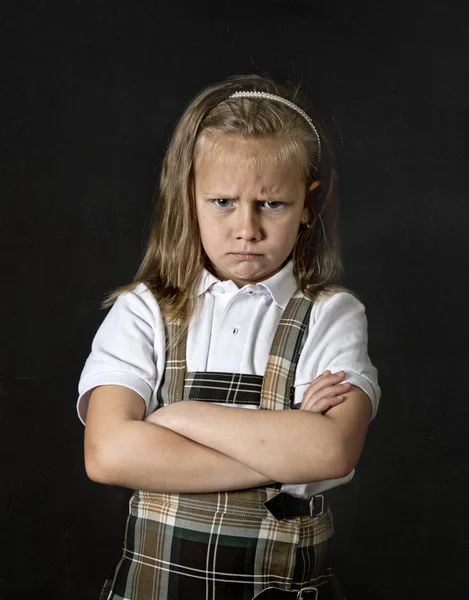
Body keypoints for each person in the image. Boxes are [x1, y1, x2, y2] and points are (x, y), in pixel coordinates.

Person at [77, 73, 381, 600]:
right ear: (189, 197)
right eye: (222, 202)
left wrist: (173, 419)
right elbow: (107, 452)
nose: (247, 229)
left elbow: (332, 450)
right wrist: (285, 448)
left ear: (309, 204)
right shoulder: (143, 311)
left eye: (272, 204)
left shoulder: (332, 315)